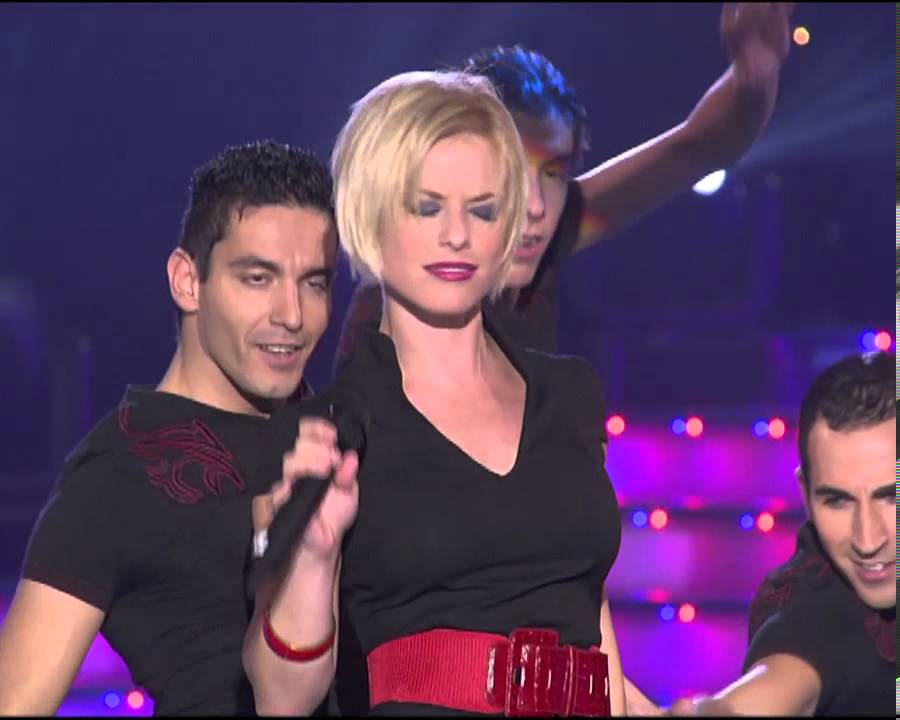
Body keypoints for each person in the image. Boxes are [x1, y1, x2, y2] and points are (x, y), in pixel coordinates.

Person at [243, 70, 626, 717]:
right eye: (427, 207)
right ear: (370, 215)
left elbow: (592, 620)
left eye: (482, 209)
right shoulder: (327, 432)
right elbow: (281, 699)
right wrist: (314, 553)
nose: (458, 235)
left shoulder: (568, 394)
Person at [0, 140, 339, 715]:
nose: (292, 314)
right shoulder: (115, 475)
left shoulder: (339, 430)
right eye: (258, 278)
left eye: (314, 282)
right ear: (187, 281)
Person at [334, 3, 795, 368]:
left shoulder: (551, 230)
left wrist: (754, 73)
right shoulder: (394, 299)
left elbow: (698, 149)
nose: (535, 206)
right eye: (513, 173)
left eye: (553, 173)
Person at [669, 351, 895, 716]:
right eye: (837, 501)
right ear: (805, 494)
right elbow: (784, 673)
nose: (867, 541)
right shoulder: (812, 606)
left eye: (891, 497)